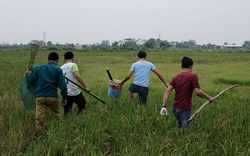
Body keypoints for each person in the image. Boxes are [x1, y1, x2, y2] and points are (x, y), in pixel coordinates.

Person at [160, 56, 214, 129]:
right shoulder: (193, 76)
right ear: (191, 66)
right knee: (187, 132)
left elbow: (167, 91)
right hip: (184, 109)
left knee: (180, 127)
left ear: (182, 66)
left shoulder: (175, 77)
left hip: (175, 109)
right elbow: (197, 92)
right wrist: (209, 97)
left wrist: (164, 106)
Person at [26, 52, 67, 136]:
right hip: (52, 97)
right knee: (57, 117)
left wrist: (28, 75)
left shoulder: (39, 68)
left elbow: (31, 81)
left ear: (48, 59)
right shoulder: (58, 69)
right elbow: (63, 87)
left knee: (39, 120)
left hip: (40, 97)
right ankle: (57, 135)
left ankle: (39, 137)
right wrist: (64, 97)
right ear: (57, 60)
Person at [61, 51, 90, 115]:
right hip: (74, 92)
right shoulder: (73, 65)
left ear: (64, 59)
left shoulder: (61, 67)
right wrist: (85, 87)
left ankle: (67, 122)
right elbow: (77, 76)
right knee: (82, 104)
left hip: (65, 93)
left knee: (67, 112)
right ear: (73, 58)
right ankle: (78, 116)